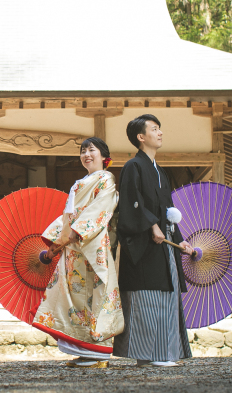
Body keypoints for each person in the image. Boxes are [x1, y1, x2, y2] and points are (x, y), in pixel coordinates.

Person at [32, 137, 124, 368]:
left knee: (94, 295)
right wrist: (57, 240)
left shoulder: (106, 179)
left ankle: (98, 351)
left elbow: (101, 208)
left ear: (104, 156)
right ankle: (84, 349)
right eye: (83, 151)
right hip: (73, 247)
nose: (86, 155)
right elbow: (68, 216)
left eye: (92, 150)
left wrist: (79, 230)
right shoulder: (80, 183)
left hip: (91, 246)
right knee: (73, 298)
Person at [112, 114, 194, 367]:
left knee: (165, 295)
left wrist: (181, 241)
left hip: (163, 243)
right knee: (145, 297)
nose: (160, 133)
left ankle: (162, 353)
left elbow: (168, 209)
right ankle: (149, 354)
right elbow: (130, 204)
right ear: (141, 137)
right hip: (143, 244)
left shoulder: (160, 171)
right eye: (154, 129)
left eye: (160, 129)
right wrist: (151, 226)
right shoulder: (133, 166)